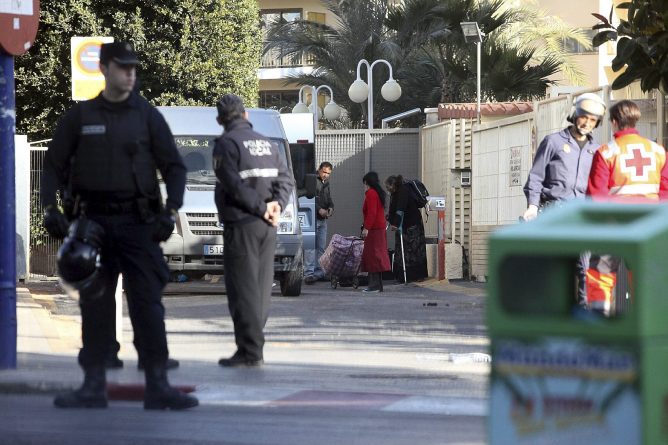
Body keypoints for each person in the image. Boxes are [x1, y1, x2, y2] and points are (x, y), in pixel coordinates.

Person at [41, 41, 197, 410]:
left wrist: (170, 209)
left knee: (147, 303)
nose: (130, 74)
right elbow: (52, 165)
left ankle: (157, 385)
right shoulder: (81, 116)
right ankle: (93, 385)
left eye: (134, 68)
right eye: (123, 67)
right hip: (91, 223)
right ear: (104, 68)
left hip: (137, 223)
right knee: (94, 305)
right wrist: (50, 208)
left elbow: (174, 166)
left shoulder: (146, 116)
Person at [212, 93, 294, 367]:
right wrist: (276, 208)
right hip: (268, 226)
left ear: (220, 120)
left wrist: (260, 208)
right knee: (260, 287)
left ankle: (251, 351)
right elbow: (286, 180)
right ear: (246, 115)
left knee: (242, 288)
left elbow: (233, 185)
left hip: (242, 223)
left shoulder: (225, 144)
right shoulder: (267, 144)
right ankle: (249, 346)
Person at [522, 92, 607, 307]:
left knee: (585, 267)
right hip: (555, 211)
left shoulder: (596, 151)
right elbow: (536, 177)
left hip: (583, 216)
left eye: (593, 120)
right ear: (575, 114)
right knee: (554, 264)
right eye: (584, 117)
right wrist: (532, 206)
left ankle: (582, 315)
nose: (587, 123)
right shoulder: (553, 142)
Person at [586, 100, 668, 315]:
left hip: (613, 223)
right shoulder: (658, 151)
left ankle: (599, 318)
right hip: (648, 224)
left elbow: (596, 195)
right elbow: (665, 191)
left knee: (602, 273)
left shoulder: (606, 152)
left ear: (614, 122)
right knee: (645, 274)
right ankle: (648, 320)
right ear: (635, 120)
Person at [385, 175, 428, 283]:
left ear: (393, 185)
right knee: (403, 249)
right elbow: (393, 208)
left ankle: (417, 275)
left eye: (389, 188)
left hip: (412, 224)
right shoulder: (395, 193)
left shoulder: (403, 190)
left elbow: (400, 209)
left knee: (415, 250)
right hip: (404, 224)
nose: (388, 190)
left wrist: (395, 223)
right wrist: (390, 219)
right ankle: (403, 275)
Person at [360, 172, 391, 292]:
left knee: (372, 257)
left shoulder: (371, 194)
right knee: (377, 256)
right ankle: (378, 285)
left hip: (374, 230)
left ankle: (373, 286)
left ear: (367, 182)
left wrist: (366, 228)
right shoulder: (378, 193)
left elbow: (371, 213)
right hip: (379, 229)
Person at [304, 162, 334, 284]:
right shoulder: (312, 181)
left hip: (322, 219)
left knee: (321, 247)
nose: (326, 175)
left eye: (328, 173)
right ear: (319, 170)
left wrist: (331, 207)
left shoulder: (326, 182)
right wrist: (319, 209)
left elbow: (329, 197)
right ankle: (309, 274)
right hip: (312, 218)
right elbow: (307, 197)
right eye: (324, 172)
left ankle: (318, 272)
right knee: (310, 247)